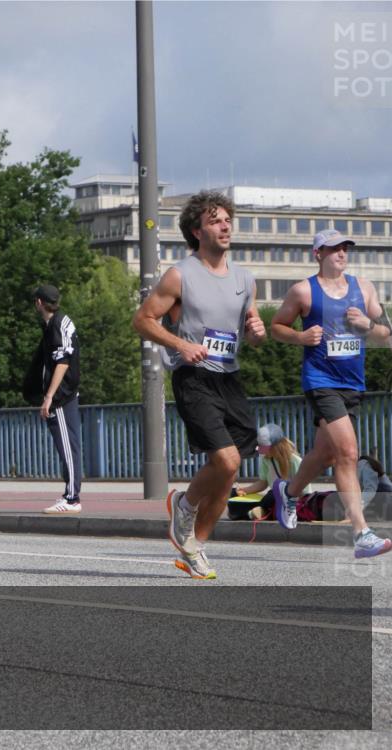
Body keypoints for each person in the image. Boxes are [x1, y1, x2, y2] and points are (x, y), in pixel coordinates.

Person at [132, 190, 266, 580]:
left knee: (229, 473)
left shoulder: (245, 279)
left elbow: (250, 329)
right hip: (194, 378)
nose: (225, 226)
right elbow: (142, 320)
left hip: (230, 378)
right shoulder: (181, 275)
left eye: (227, 219)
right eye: (215, 221)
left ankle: (194, 547)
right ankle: (185, 505)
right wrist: (181, 345)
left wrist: (256, 332)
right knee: (227, 461)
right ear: (197, 231)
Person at [269, 229, 392, 558]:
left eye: (345, 248)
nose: (341, 253)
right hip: (320, 380)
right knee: (347, 453)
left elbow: (386, 334)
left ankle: (289, 492)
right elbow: (277, 327)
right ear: (318, 254)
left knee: (324, 453)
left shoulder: (364, 288)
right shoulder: (303, 291)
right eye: (333, 248)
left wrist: (368, 325)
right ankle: (361, 533)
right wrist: (300, 337)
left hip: (352, 383)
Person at [27, 285, 83, 514]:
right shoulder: (60, 322)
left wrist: (49, 396)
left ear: (39, 302)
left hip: (61, 396)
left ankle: (71, 499)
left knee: (67, 447)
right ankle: (70, 495)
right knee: (70, 446)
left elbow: (62, 362)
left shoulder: (56, 326)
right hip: (67, 393)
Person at [231, 423, 312, 520]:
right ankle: (259, 511)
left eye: (263, 447)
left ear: (277, 446)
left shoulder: (295, 461)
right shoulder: (267, 460)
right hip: (275, 498)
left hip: (292, 501)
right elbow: (263, 483)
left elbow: (304, 491)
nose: (260, 450)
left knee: (272, 494)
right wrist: (244, 490)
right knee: (234, 496)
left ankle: (262, 511)